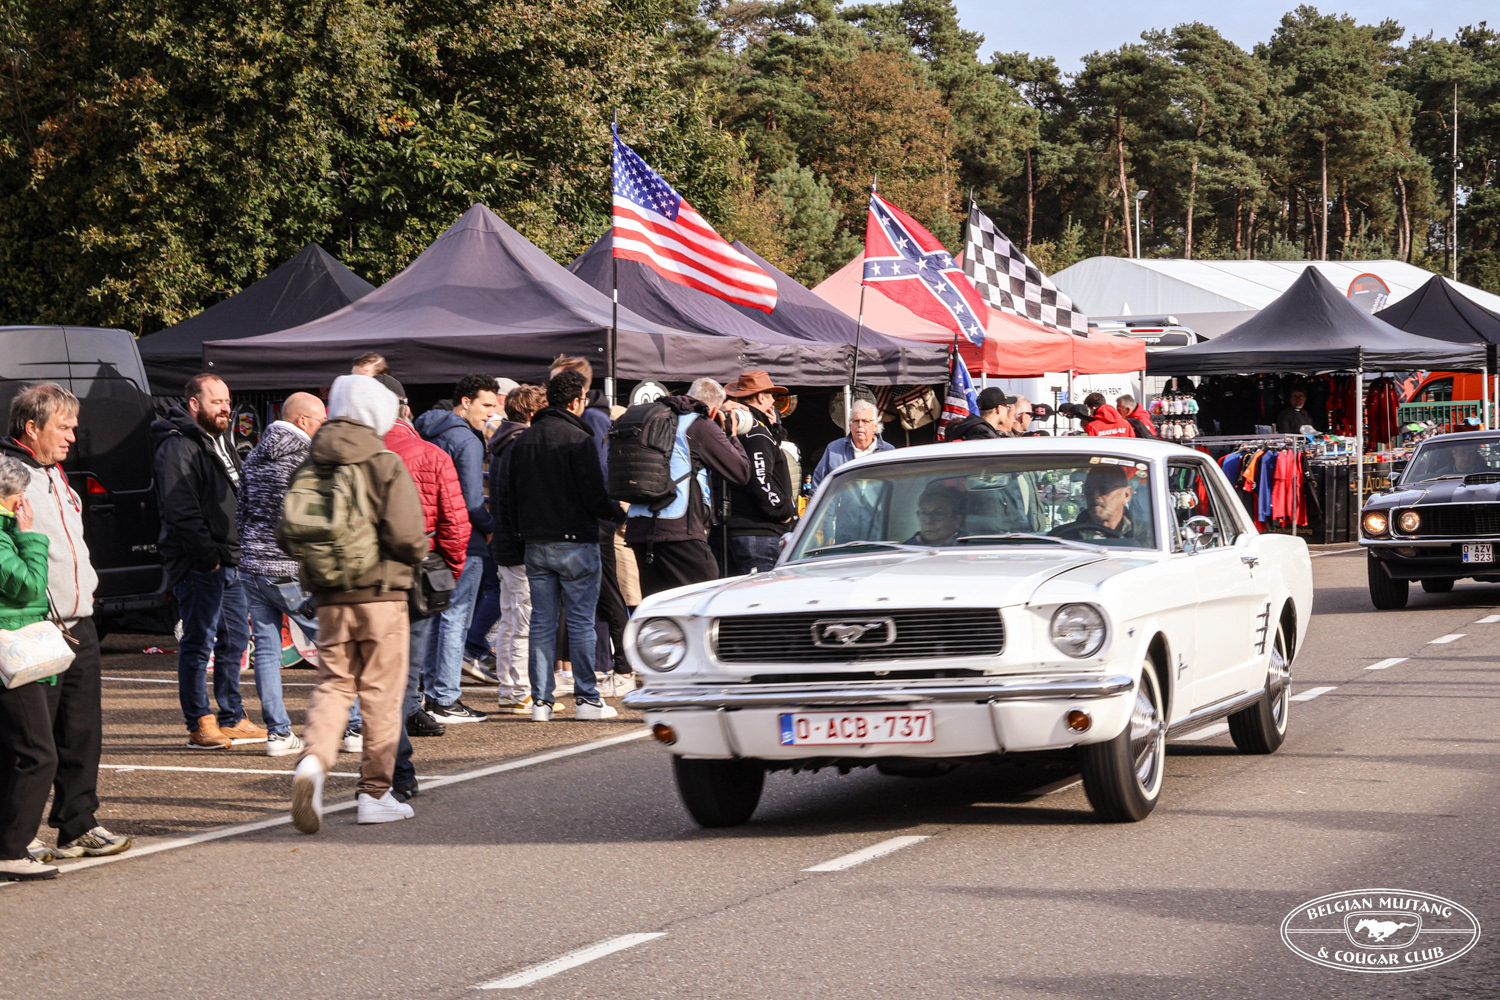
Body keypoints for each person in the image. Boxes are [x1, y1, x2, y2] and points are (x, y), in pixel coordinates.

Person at [287, 375, 429, 833]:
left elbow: (288, 533)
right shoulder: (384, 461)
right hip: (382, 596)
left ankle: (313, 763)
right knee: (381, 696)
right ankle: (375, 794)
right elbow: (408, 537)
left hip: (329, 596)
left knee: (333, 685)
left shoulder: (311, 462)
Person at [0, 383, 130, 860]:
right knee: (28, 741)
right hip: (35, 626)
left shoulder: (57, 473)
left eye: (73, 427)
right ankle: (17, 834)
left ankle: (78, 824)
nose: (73, 436)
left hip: (80, 621)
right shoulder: (8, 474)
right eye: (64, 427)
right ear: (31, 428)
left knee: (82, 732)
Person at [152, 375, 265, 750]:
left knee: (235, 641)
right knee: (199, 643)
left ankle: (232, 717)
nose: (226, 408)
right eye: (216, 401)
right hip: (201, 565)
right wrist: (207, 559)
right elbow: (180, 510)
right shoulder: (177, 445)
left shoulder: (219, 440)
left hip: (230, 559)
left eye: (228, 401)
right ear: (194, 404)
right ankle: (199, 722)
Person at [506, 371, 626, 722]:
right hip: (576, 541)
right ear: (575, 402)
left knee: (542, 623)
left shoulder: (524, 440)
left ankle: (541, 702)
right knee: (580, 622)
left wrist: (519, 535)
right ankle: (587, 699)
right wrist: (618, 515)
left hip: (535, 542)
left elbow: (511, 496)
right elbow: (594, 493)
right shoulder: (579, 438)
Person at [236, 392, 344, 758]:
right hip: (292, 569)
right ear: (302, 421)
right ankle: (355, 725)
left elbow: (242, 511)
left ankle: (278, 733)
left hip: (253, 566)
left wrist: (251, 550)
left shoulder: (254, 456)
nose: (323, 426)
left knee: (267, 651)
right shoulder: (307, 459)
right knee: (335, 645)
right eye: (320, 420)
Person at [379, 374, 470, 800]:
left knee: (366, 680)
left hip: (361, 580)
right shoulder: (431, 454)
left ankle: (388, 771)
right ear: (405, 408)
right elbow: (456, 524)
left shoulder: (349, 454)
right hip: (417, 576)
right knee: (404, 679)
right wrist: (447, 575)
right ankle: (397, 773)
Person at [413, 374, 501, 725]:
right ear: (465, 402)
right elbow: (471, 499)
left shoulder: (425, 430)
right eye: (486, 405)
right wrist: (490, 526)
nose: (491, 413)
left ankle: (431, 696)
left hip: (430, 538)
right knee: (454, 622)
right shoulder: (466, 439)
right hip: (464, 540)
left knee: (434, 619)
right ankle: (445, 699)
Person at [624, 379, 751, 598]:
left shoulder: (655, 418)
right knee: (706, 599)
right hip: (679, 530)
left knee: (660, 607)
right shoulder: (699, 425)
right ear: (713, 411)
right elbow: (741, 472)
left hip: (639, 528)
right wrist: (731, 434)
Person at [549, 356, 631, 695]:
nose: (551, 388)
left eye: (557, 380)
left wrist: (610, 515)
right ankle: (575, 668)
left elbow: (597, 473)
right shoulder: (580, 418)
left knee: (608, 594)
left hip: (596, 521)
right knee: (580, 598)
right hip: (583, 520)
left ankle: (624, 668)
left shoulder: (593, 418)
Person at [0, 455, 61, 881]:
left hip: (13, 648)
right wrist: (30, 536)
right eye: (19, 495)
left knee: (14, 751)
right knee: (39, 753)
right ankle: (11, 848)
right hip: (10, 652)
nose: (23, 503)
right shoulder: (6, 534)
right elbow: (28, 585)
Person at [488, 384, 545, 714]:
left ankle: (509, 690)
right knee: (522, 621)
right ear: (533, 413)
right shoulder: (522, 444)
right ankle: (521, 690)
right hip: (519, 545)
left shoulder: (501, 442)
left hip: (504, 542)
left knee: (511, 619)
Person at [723, 371, 797, 575]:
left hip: (740, 530)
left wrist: (774, 431)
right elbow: (760, 480)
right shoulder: (756, 432)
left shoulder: (737, 427)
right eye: (772, 395)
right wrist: (783, 511)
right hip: (759, 533)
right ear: (761, 397)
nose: (774, 401)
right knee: (762, 592)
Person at [1050, 465, 1151, 545]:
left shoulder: (1150, 536)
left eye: (1104, 489)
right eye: (1089, 489)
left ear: (1126, 495)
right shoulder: (1060, 537)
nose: (1095, 496)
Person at [810, 399, 894, 490]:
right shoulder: (833, 450)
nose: (860, 425)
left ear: (875, 426)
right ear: (850, 425)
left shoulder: (888, 452)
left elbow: (897, 485)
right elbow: (818, 486)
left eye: (865, 421)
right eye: (856, 421)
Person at [947, 387, 1015, 441]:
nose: (1007, 411)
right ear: (998, 408)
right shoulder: (981, 433)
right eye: (1006, 406)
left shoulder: (976, 429)